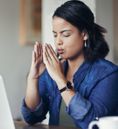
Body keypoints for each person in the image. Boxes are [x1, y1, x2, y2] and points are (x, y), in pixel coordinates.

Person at [21, 0, 118, 129]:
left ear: (84, 34)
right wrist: (33, 78)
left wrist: (60, 80)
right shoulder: (52, 71)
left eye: (65, 34)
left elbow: (91, 123)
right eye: (55, 35)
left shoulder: (108, 74)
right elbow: (31, 117)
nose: (58, 42)